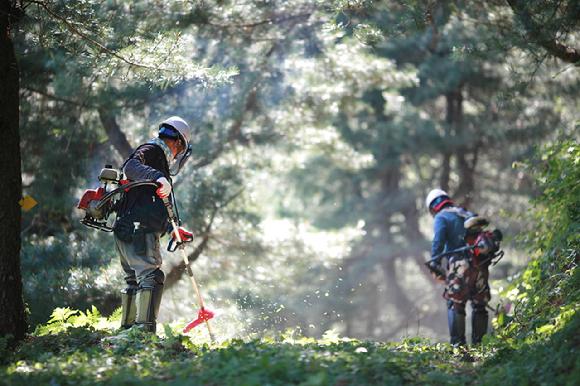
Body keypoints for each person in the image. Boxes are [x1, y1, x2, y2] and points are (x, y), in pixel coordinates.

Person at [113, 116, 194, 333]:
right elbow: (130, 166)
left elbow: (154, 206)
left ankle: (127, 334)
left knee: (134, 282)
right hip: (139, 230)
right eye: (181, 149)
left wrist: (174, 229)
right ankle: (143, 335)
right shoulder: (152, 151)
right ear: (178, 143)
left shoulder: (159, 162)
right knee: (151, 277)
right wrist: (158, 176)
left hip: (126, 228)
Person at [425, 189, 491, 346]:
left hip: (459, 265)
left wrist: (434, 263)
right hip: (480, 264)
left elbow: (438, 241)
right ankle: (480, 347)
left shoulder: (442, 216)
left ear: (433, 207)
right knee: (479, 305)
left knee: (456, 303)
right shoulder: (465, 213)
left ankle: (459, 348)